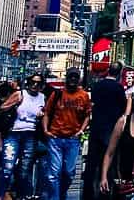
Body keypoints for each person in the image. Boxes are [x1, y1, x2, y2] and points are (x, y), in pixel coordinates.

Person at [42, 67, 92, 200]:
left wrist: (81, 130)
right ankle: (55, 197)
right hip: (55, 137)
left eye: (76, 77)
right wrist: (46, 130)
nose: (73, 79)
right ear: (67, 78)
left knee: (69, 172)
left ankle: (61, 193)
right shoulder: (57, 94)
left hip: (72, 139)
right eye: (71, 77)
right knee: (54, 173)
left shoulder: (84, 96)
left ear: (79, 79)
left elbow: (87, 115)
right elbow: (47, 113)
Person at [84, 63, 129, 200]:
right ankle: (106, 191)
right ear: (119, 73)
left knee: (92, 163)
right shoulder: (119, 88)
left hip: (97, 128)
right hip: (112, 128)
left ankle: (88, 194)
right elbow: (123, 107)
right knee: (109, 162)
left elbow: (93, 103)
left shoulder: (98, 85)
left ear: (108, 70)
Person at [1, 73, 46, 200]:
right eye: (33, 82)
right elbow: (2, 108)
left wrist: (41, 116)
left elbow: (45, 116)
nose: (35, 85)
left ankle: (19, 195)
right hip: (14, 132)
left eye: (38, 83)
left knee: (24, 169)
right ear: (28, 82)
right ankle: (2, 194)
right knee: (7, 167)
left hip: (31, 134)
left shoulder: (43, 98)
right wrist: (14, 104)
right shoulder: (20, 94)